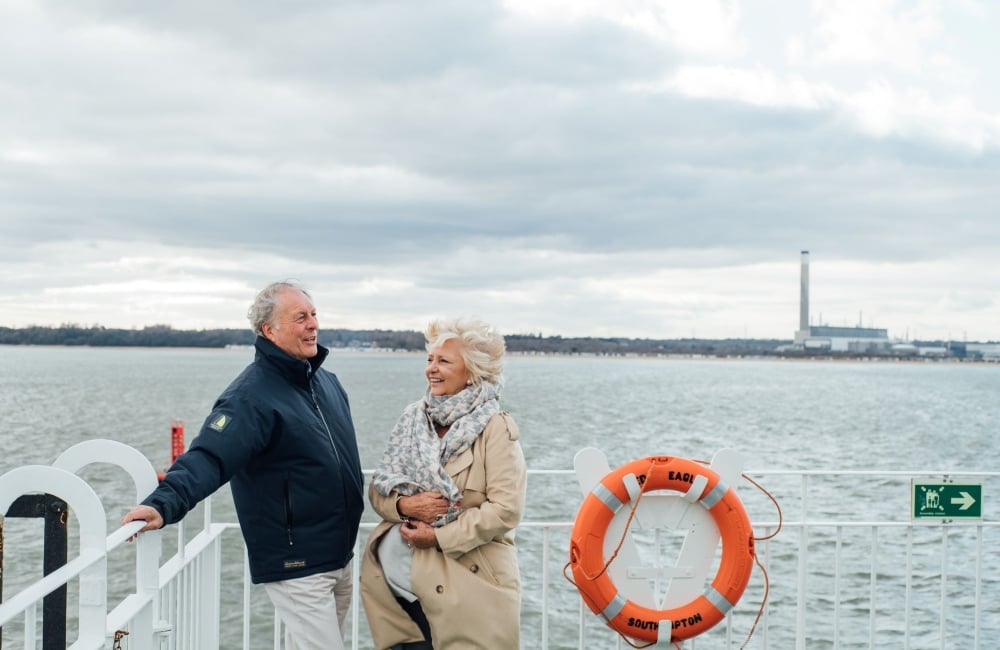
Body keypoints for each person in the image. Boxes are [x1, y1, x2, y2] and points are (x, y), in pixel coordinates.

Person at [122, 280, 365, 650]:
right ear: (270, 330)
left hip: (338, 554)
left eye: (313, 314)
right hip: (298, 561)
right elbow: (210, 456)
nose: (313, 324)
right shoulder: (251, 397)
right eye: (300, 317)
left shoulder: (327, 383)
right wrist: (162, 503)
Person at [360, 317, 527, 650]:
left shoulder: (495, 427)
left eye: (444, 361)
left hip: (466, 589)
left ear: (473, 370)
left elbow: (506, 509)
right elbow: (380, 489)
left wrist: (438, 535)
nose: (431, 369)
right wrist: (405, 506)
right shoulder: (413, 417)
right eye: (430, 359)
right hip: (398, 596)